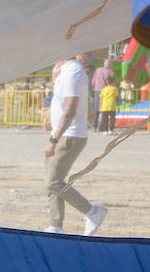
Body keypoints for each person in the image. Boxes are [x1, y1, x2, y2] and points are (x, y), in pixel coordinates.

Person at [43, 52, 106, 235]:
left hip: (70, 135)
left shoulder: (74, 73)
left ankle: (92, 211)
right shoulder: (64, 71)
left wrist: (54, 139)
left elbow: (70, 109)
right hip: (60, 133)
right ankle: (55, 225)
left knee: (53, 182)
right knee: (51, 180)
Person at [90, 58, 115, 130]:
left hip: (97, 90)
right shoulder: (110, 72)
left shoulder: (98, 70)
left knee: (96, 109)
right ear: (110, 65)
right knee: (103, 110)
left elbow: (93, 81)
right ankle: (101, 127)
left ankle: (94, 126)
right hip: (106, 91)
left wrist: (93, 87)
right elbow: (112, 83)